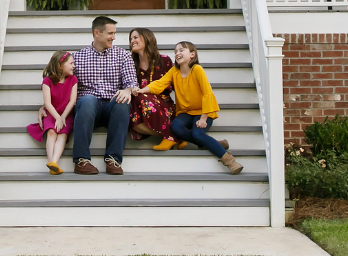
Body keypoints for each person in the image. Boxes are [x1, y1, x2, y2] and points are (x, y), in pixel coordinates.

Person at [136, 41, 241, 174]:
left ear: (192, 54)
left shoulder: (197, 69)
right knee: (175, 127)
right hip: (185, 113)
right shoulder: (174, 71)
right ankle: (214, 143)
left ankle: (229, 161)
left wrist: (203, 118)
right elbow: (159, 84)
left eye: (181, 50)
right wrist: (142, 90)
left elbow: (207, 93)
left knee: (198, 133)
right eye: (175, 51)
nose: (177, 53)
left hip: (203, 111)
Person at [70, 16, 138, 175]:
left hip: (112, 108)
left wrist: (127, 90)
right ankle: (81, 161)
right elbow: (63, 85)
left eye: (114, 33)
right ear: (96, 33)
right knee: (88, 99)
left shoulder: (122, 55)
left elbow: (132, 83)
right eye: (110, 33)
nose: (114, 37)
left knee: (123, 101)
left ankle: (113, 160)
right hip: (87, 110)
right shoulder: (78, 58)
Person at [126, 28, 182, 151]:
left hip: (164, 104)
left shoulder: (164, 60)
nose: (132, 41)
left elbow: (177, 86)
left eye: (135, 37)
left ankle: (172, 138)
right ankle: (174, 137)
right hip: (139, 106)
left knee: (140, 98)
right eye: (130, 39)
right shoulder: (130, 63)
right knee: (130, 117)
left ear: (147, 38)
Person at [26, 51, 78, 175]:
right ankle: (51, 163)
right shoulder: (47, 81)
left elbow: (72, 101)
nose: (73, 66)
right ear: (60, 66)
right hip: (51, 113)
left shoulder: (73, 80)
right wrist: (57, 118)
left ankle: (54, 161)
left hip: (66, 114)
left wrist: (63, 117)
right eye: (71, 63)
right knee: (51, 132)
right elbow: (48, 103)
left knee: (63, 134)